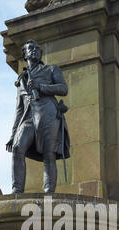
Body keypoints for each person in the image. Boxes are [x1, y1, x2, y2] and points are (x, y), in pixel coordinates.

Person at [6, 39, 70, 194]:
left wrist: (41, 87)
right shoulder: (22, 79)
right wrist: (13, 134)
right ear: (25, 54)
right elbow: (19, 109)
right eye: (30, 48)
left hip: (48, 114)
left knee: (49, 154)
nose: (34, 50)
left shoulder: (50, 69)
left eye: (37, 48)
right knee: (17, 147)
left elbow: (63, 88)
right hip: (28, 118)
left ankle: (49, 192)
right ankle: (17, 190)